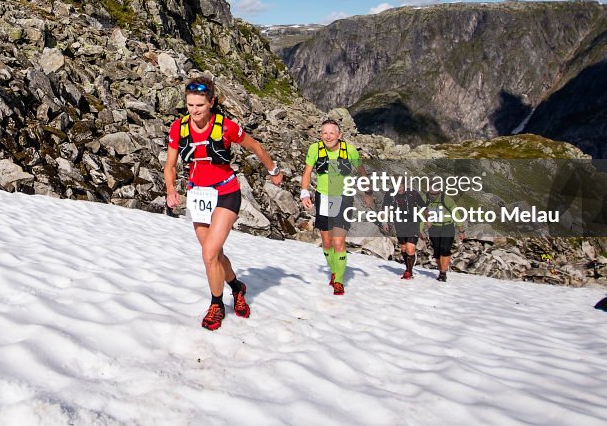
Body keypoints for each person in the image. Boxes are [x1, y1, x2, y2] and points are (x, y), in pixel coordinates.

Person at [164, 77, 283, 331]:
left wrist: (273, 169)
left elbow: (256, 147)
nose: (194, 110)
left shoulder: (226, 127)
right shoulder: (179, 128)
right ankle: (237, 287)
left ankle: (216, 304)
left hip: (226, 192)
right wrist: (171, 190)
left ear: (212, 103)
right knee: (214, 254)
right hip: (198, 197)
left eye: (199, 105)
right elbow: (170, 165)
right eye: (190, 105)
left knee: (208, 254)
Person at [299, 119, 373, 295]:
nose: (328, 136)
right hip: (323, 197)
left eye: (332, 133)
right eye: (324, 132)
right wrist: (304, 192)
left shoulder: (350, 151)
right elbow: (307, 172)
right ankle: (334, 270)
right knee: (326, 242)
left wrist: (367, 192)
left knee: (339, 242)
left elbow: (362, 171)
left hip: (344, 198)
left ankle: (338, 280)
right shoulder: (314, 149)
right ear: (320, 135)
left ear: (339, 135)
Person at [380, 177, 425, 279]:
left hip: (413, 222)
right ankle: (408, 268)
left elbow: (423, 206)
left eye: (400, 186)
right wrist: (384, 222)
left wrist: (427, 220)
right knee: (403, 248)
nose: (398, 189)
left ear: (404, 185)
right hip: (399, 223)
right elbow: (385, 208)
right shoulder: (389, 194)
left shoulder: (412, 194)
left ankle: (409, 272)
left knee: (410, 247)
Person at [422, 187, 467, 282]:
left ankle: (443, 273)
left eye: (435, 194)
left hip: (447, 227)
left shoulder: (447, 199)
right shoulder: (424, 199)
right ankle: (441, 270)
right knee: (437, 252)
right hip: (434, 227)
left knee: (445, 249)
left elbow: (456, 214)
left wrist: (461, 230)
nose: (433, 196)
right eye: (431, 194)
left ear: (439, 192)